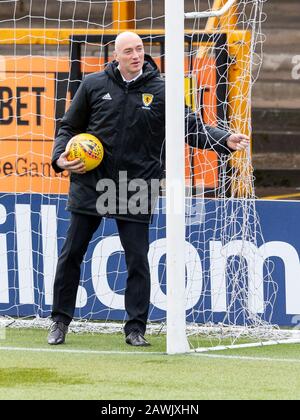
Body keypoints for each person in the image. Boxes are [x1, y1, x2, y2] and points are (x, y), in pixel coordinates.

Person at [48, 32, 250, 347]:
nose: (135, 55)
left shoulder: (163, 89)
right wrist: (59, 158)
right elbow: (69, 128)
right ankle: (59, 322)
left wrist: (223, 140)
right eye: (128, 51)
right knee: (72, 252)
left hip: (136, 183)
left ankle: (135, 329)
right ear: (115, 55)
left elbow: (191, 128)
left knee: (138, 259)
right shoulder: (92, 85)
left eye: (139, 49)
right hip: (91, 181)